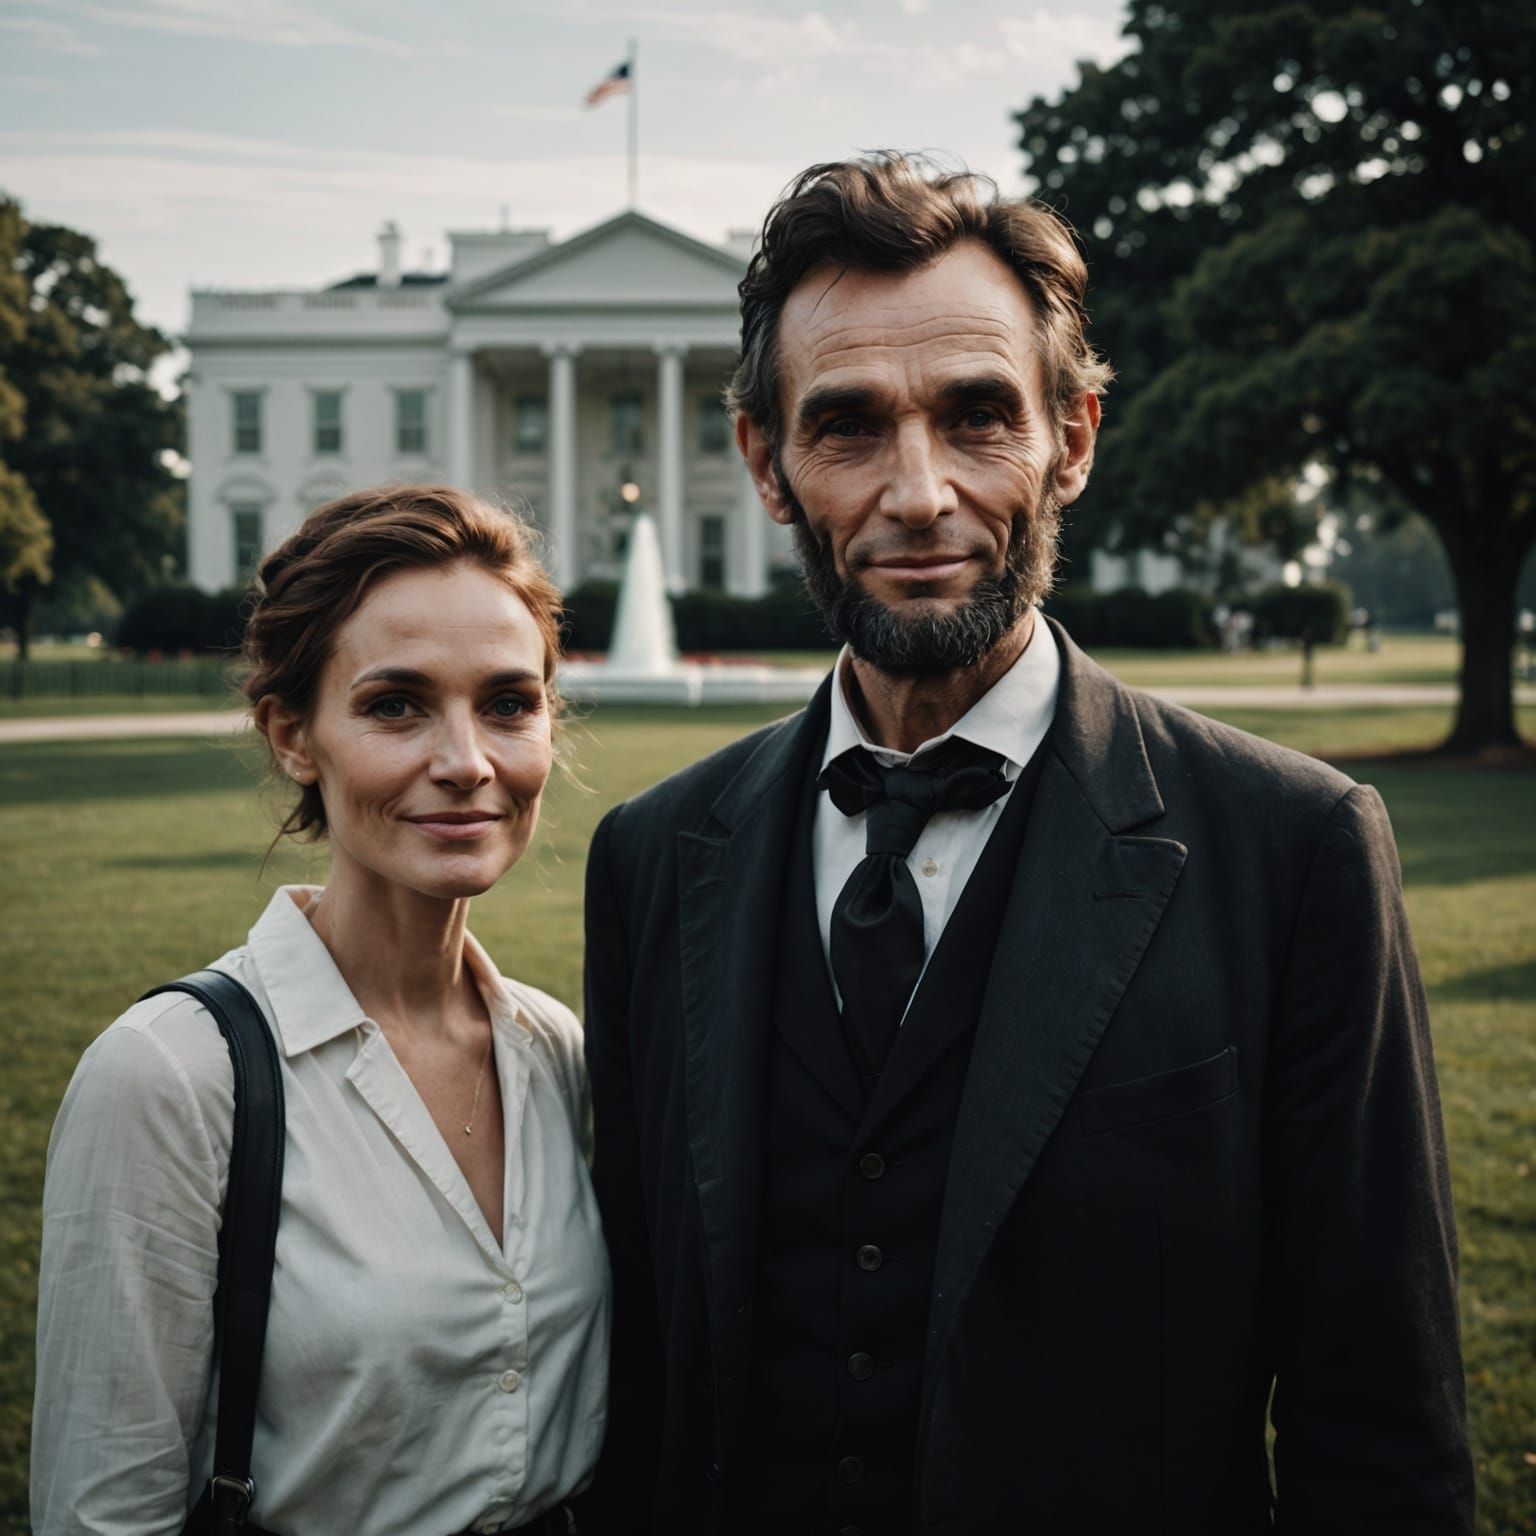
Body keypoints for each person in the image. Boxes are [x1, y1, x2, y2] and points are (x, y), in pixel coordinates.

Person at [578, 155, 1472, 1534]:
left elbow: (1382, 1430)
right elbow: (642, 1381)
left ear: (1076, 436)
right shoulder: (654, 855)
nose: (919, 491)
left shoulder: (1292, 853)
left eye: (979, 417)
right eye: (851, 426)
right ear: (766, 460)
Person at [33, 486, 609, 1535]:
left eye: (509, 704)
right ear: (293, 736)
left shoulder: (556, 1049)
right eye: (397, 704)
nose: (467, 762)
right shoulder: (169, 1075)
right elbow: (103, 1510)